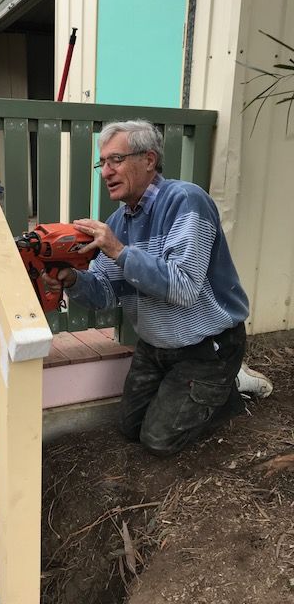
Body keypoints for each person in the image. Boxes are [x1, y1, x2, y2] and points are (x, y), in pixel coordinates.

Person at [44, 119, 269, 457]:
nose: (105, 172)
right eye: (102, 162)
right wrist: (72, 280)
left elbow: (183, 287)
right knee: (130, 428)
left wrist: (119, 251)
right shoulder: (120, 221)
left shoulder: (186, 201)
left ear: (149, 159)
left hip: (207, 348)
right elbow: (104, 292)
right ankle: (204, 390)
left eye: (115, 160)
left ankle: (230, 383)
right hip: (155, 348)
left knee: (158, 440)